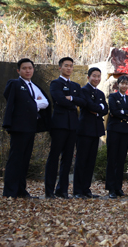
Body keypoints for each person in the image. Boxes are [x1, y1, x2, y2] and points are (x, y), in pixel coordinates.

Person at [2, 58, 51, 198]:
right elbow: (20, 102)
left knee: (24, 160)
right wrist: (36, 103)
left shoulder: (34, 86)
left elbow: (46, 103)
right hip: (19, 127)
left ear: (33, 70)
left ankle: (21, 190)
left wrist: (34, 103)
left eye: (30, 68)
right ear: (19, 70)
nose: (28, 70)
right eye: (24, 68)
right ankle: (10, 191)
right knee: (15, 159)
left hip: (30, 127)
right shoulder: (15, 83)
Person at [45, 57, 86, 199]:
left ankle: (62, 189)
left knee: (68, 158)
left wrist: (72, 99)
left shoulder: (76, 86)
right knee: (54, 156)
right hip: (59, 124)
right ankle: (49, 190)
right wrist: (72, 102)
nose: (69, 68)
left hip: (73, 125)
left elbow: (83, 101)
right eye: (66, 66)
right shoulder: (55, 83)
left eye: (71, 66)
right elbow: (59, 100)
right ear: (60, 67)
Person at [73, 67, 108, 199]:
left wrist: (98, 108)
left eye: (99, 76)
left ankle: (86, 189)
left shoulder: (100, 93)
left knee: (91, 161)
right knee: (81, 160)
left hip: (96, 130)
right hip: (84, 130)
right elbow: (88, 106)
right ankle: (77, 190)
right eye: (94, 76)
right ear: (88, 77)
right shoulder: (83, 90)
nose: (97, 79)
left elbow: (105, 109)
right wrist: (99, 108)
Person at [106, 75, 128, 199]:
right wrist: (126, 112)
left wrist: (123, 112)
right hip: (114, 131)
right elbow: (114, 111)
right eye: (122, 83)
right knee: (112, 159)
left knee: (121, 159)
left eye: (126, 83)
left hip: (125, 131)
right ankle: (111, 188)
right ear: (118, 84)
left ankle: (118, 187)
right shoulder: (113, 96)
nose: (124, 85)